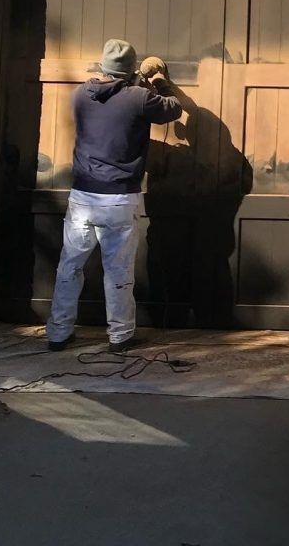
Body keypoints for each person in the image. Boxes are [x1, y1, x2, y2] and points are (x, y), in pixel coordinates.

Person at [45, 40, 182, 352]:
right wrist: (159, 81)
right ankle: (120, 336)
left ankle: (58, 333)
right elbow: (173, 109)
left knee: (70, 265)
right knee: (117, 271)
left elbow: (108, 105)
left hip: (82, 196)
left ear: (102, 66)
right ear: (130, 71)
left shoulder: (80, 94)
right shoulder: (139, 97)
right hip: (119, 198)